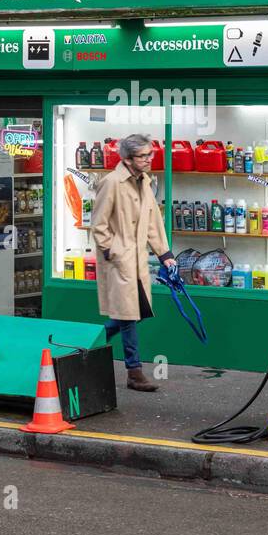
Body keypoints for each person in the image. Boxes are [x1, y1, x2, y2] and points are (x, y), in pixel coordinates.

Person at [90, 133, 176, 392]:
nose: (149, 159)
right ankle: (134, 371)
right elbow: (99, 223)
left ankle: (86, 345)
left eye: (150, 154)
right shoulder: (112, 183)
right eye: (143, 156)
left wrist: (165, 254)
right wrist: (111, 251)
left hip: (137, 260)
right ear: (127, 159)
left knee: (133, 314)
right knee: (128, 316)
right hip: (120, 259)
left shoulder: (145, 182)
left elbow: (153, 223)